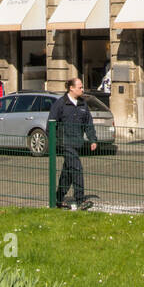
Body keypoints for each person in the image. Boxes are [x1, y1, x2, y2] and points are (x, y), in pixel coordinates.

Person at [49, 78, 97, 210]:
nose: (82, 89)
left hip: (77, 143)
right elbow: (51, 124)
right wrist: (53, 142)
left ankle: (57, 199)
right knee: (77, 169)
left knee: (68, 173)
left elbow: (88, 123)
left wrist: (92, 139)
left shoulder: (83, 104)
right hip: (65, 143)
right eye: (80, 87)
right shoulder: (60, 104)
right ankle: (80, 200)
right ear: (71, 88)